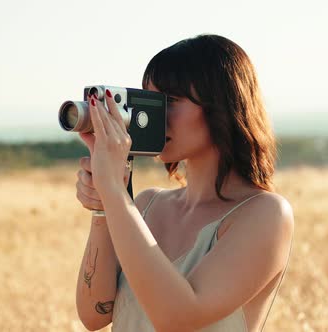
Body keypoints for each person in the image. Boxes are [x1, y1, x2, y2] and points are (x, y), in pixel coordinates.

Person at [74, 34, 294, 332]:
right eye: (150, 101)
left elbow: (177, 317)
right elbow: (94, 315)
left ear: (222, 105)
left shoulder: (265, 214)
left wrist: (114, 193)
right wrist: (103, 207)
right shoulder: (146, 205)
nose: (154, 116)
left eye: (171, 101)